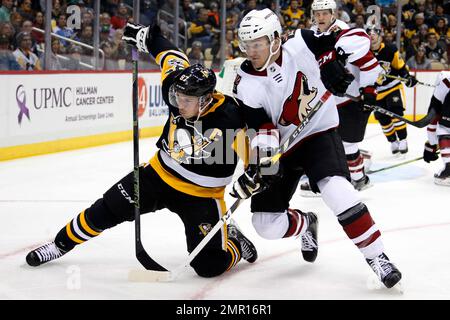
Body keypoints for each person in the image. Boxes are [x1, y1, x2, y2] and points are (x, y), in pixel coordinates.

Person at [25, 22, 258, 279]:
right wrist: (146, 37)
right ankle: (59, 245)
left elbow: (257, 158)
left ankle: (235, 243)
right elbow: (171, 57)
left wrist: (254, 176)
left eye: (187, 101)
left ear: (205, 99)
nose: (179, 105)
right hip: (157, 176)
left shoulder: (232, 117)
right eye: (177, 98)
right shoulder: (177, 87)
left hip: (203, 196)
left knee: (208, 266)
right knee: (106, 209)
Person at [232, 8, 402, 289]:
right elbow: (261, 126)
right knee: (265, 224)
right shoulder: (245, 82)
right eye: (247, 44)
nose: (252, 51)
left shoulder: (302, 42)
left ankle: (377, 257)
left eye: (258, 43)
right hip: (282, 149)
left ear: (275, 39)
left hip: (318, 133)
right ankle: (305, 223)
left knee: (337, 190)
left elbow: (355, 36)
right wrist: (262, 163)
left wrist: (338, 59)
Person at [301, 0, 377, 196]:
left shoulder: (343, 33)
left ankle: (359, 178)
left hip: (348, 98)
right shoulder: (312, 33)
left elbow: (369, 62)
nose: (320, 18)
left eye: (324, 13)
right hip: (325, 100)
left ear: (333, 14)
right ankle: (321, 178)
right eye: (317, 14)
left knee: (348, 143)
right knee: (319, 142)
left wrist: (368, 90)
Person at [368, 26, 418, 155]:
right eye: (369, 34)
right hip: (376, 90)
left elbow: (400, 67)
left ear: (380, 37)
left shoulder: (390, 49)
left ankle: (403, 140)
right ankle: (393, 141)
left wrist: (407, 77)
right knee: (382, 117)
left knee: (395, 111)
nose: (372, 36)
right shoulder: (364, 52)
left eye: (375, 34)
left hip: (392, 87)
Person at [423, 71, 450, 186]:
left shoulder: (444, 81)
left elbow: (433, 119)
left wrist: (432, 144)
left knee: (445, 129)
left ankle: (449, 168)